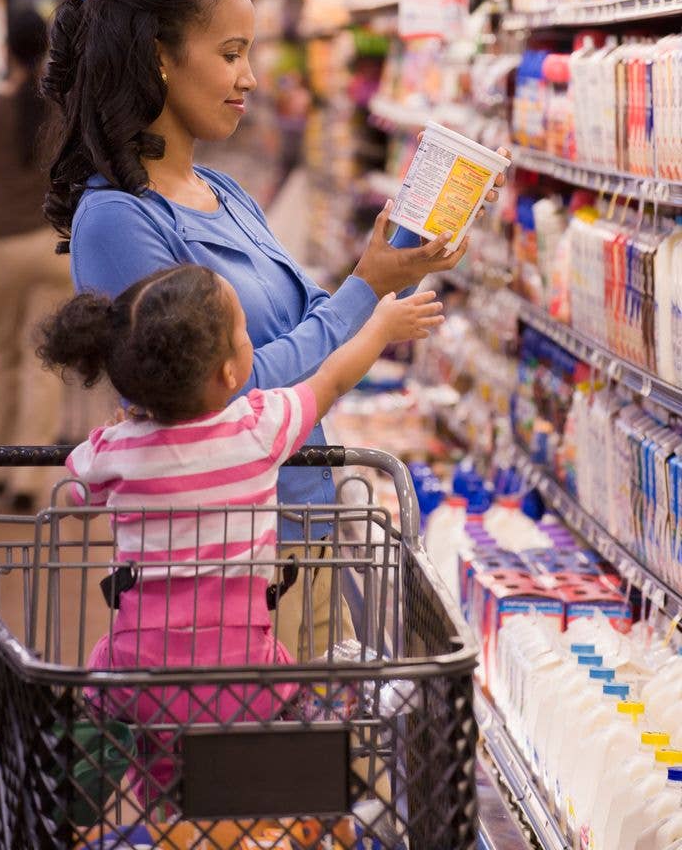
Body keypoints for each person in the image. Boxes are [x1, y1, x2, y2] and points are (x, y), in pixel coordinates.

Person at [42, 0, 508, 657]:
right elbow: (217, 397)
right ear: (159, 57)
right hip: (227, 574)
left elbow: (306, 325)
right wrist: (364, 294)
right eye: (231, 53)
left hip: (304, 532)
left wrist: (394, 265)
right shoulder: (118, 219)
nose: (252, 77)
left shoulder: (223, 194)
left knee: (323, 761)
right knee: (274, 767)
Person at [37, 259, 444, 802]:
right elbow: (333, 377)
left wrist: (124, 427)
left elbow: (84, 488)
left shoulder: (116, 451)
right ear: (229, 375)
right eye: (244, 333)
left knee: (158, 772)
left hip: (139, 683)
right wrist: (380, 328)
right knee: (343, 676)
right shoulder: (257, 427)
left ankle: (109, 783)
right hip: (246, 680)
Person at [0, 8, 71, 510]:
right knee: (41, 362)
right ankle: (29, 479)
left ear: (6, 52)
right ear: (46, 50)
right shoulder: (63, 108)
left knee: (0, 355)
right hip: (52, 244)